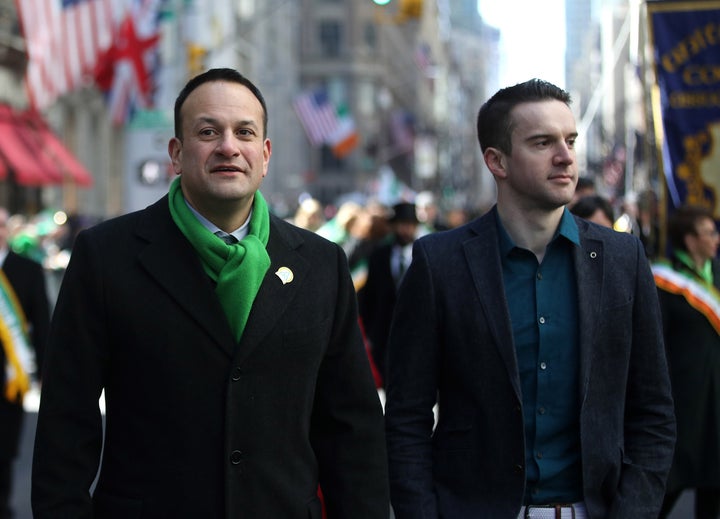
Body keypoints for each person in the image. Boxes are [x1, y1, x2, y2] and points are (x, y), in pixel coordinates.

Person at [31, 68, 389, 518]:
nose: (228, 146)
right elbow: (66, 423)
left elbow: (352, 429)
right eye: (208, 131)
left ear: (265, 154)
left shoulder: (321, 264)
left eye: (244, 132)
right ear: (177, 154)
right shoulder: (105, 257)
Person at [384, 78, 675, 518]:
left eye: (570, 140)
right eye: (543, 142)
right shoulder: (438, 263)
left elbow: (652, 411)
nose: (565, 156)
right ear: (496, 161)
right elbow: (406, 416)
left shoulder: (622, 258)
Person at [654, 205, 720, 519]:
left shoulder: (717, 276)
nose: (716, 239)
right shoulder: (663, 283)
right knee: (670, 482)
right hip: (683, 398)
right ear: (690, 240)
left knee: (714, 482)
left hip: (716, 397)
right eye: (709, 233)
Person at [0, 207, 50, 519]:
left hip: (10, 377)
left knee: (4, 450)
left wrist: (46, 372)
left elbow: (42, 322)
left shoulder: (27, 269)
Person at [358, 201, 419, 387]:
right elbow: (368, 295)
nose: (405, 230)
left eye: (409, 225)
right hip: (384, 335)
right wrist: (370, 331)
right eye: (401, 224)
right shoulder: (379, 255)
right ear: (393, 226)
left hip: (416, 334)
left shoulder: (423, 255)